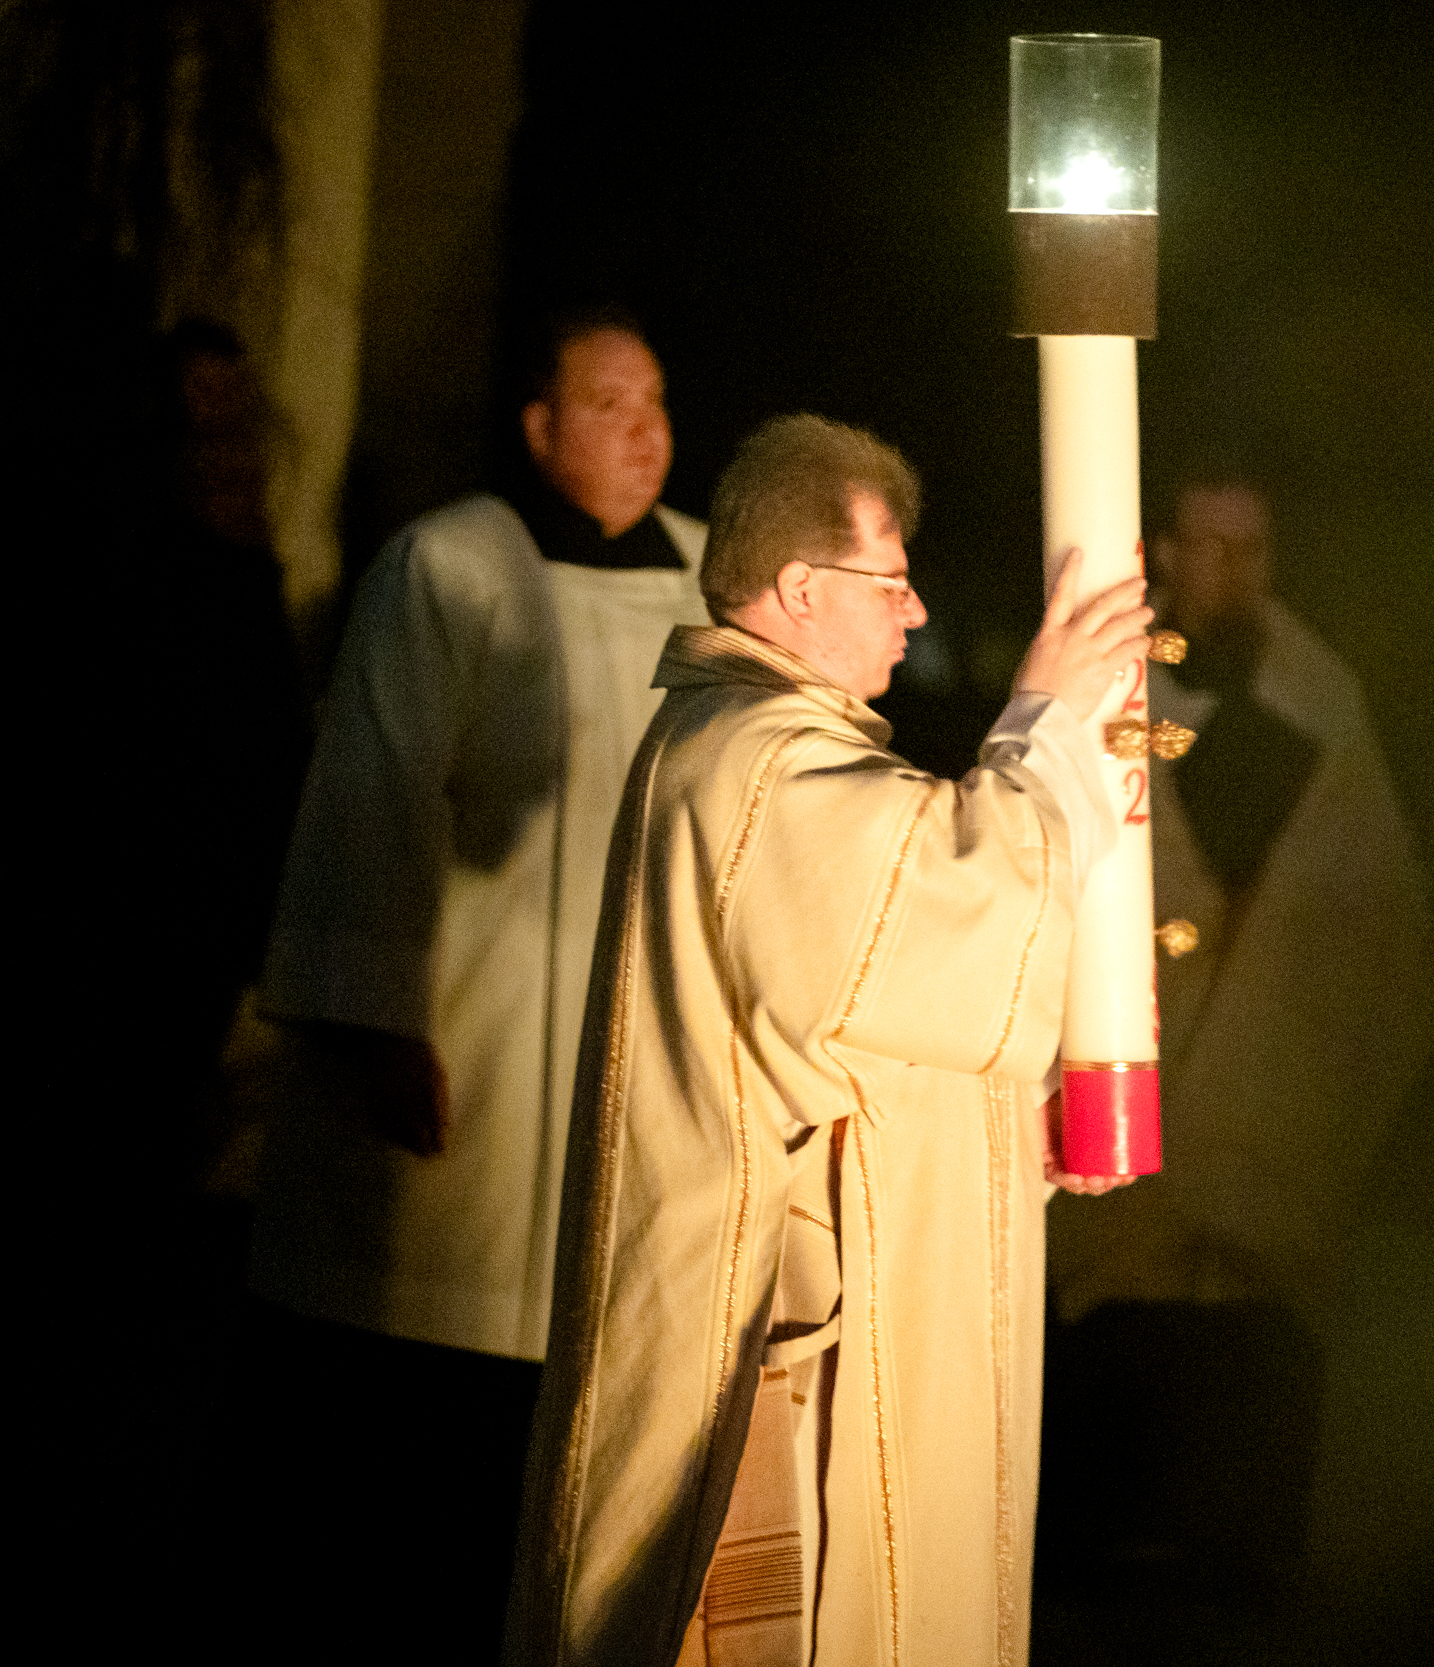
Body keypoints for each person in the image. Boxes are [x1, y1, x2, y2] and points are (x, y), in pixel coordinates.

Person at [505, 414, 1153, 1667]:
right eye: (890, 579)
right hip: (783, 1353)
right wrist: (1050, 719)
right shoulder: (755, 762)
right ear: (801, 588)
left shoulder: (763, 748)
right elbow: (963, 904)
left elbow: (861, 1017)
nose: (916, 611)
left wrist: (1010, 1127)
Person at [243, 305, 710, 1660]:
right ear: (539, 425)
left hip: (635, 1027)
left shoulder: (707, 576)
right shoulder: (451, 564)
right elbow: (374, 785)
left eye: (655, 402)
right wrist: (373, 1017)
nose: (644, 431)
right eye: (608, 404)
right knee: (437, 1392)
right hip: (481, 1027)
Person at [1040, 468, 1434, 1583]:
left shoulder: (1323, 698)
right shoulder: (1103, 684)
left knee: (1245, 1402)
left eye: (1252, 548)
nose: (1233, 571)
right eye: (1210, 546)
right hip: (1135, 1087)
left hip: (1272, 1098)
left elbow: (1371, 910)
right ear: (1165, 553)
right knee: (1116, 1374)